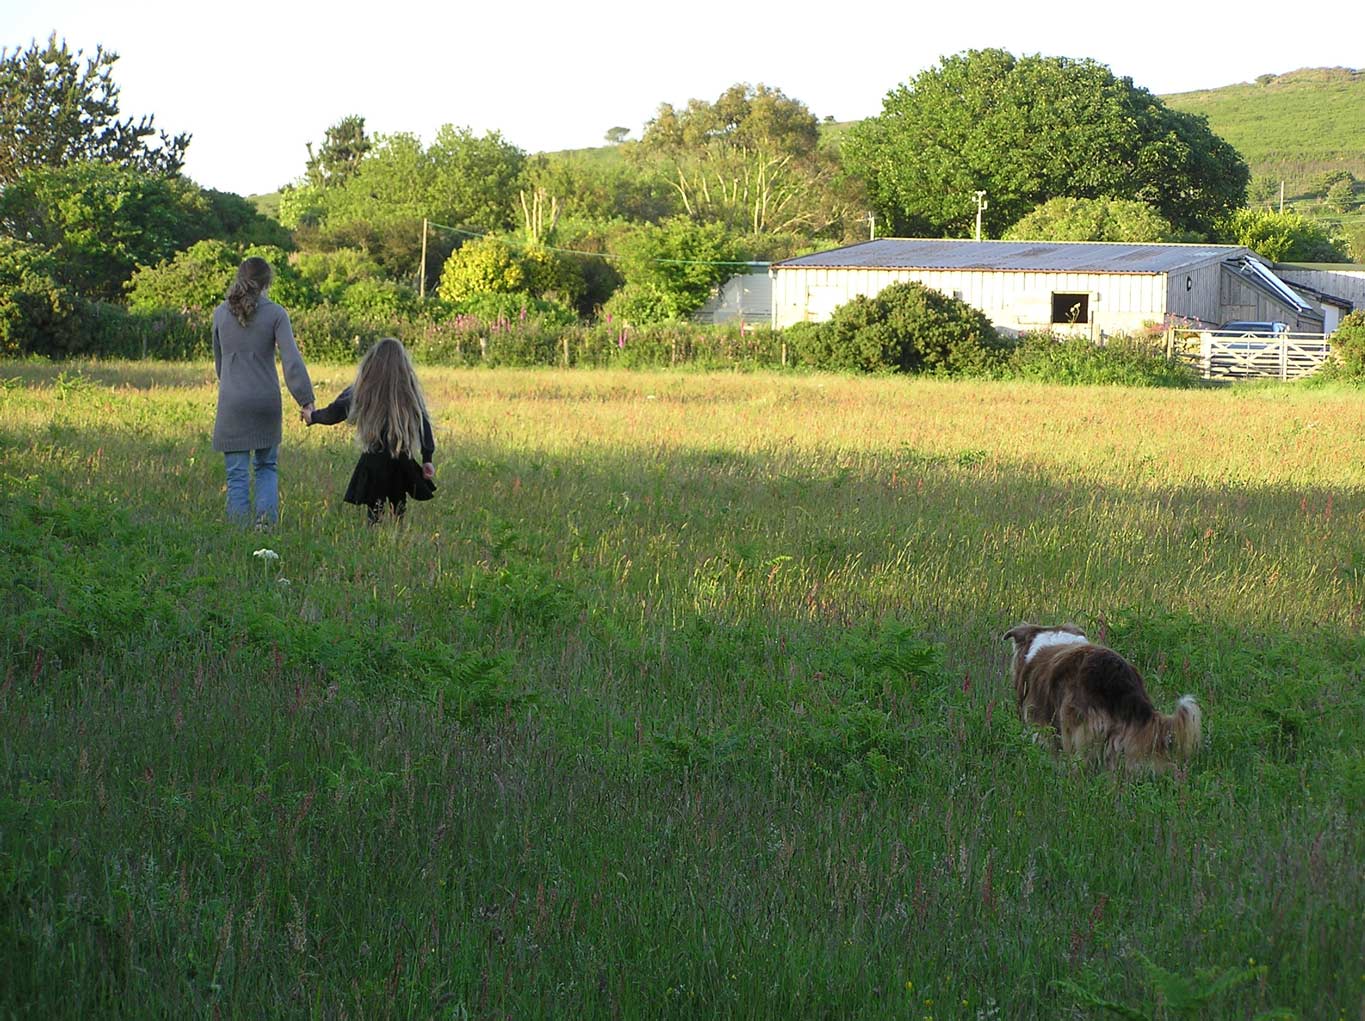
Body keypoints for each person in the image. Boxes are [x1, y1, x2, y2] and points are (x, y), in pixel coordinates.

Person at [211, 256, 315, 526]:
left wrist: (233, 385)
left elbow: (219, 363)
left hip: (232, 401)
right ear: (267, 282)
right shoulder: (276, 314)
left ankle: (238, 532)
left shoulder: (220, 314)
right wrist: (306, 400)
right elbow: (291, 361)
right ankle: (266, 526)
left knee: (236, 474)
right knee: (266, 467)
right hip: (266, 401)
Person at [304, 337, 436, 524]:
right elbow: (424, 426)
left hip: (373, 457)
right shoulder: (409, 392)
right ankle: (397, 537)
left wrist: (313, 416)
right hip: (401, 458)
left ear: (372, 363)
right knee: (398, 505)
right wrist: (427, 459)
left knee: (374, 507)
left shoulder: (363, 389)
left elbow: (336, 412)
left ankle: (374, 537)